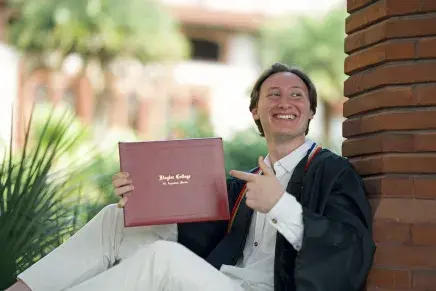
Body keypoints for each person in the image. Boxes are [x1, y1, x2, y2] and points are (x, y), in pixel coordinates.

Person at [7, 62, 375, 291]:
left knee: (164, 259)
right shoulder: (240, 183)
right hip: (219, 281)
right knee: (114, 219)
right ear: (255, 111)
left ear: (310, 111)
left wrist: (281, 205)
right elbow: (190, 231)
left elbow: (350, 247)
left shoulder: (332, 172)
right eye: (273, 94)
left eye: (297, 95)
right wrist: (140, 197)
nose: (285, 102)